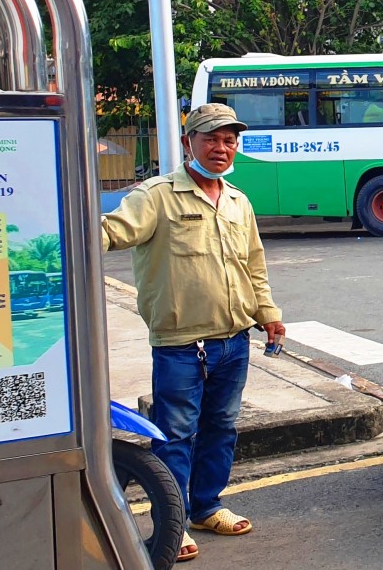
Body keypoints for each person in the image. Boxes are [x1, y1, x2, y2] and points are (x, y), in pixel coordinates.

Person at [101, 103, 285, 563]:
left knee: (221, 428)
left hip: (233, 338)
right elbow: (108, 233)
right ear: (188, 144)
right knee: (176, 434)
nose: (222, 148)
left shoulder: (238, 201)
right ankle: (173, 519)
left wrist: (269, 314)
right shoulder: (157, 196)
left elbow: (253, 266)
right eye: (211, 138)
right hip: (180, 344)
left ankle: (207, 505)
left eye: (229, 140)